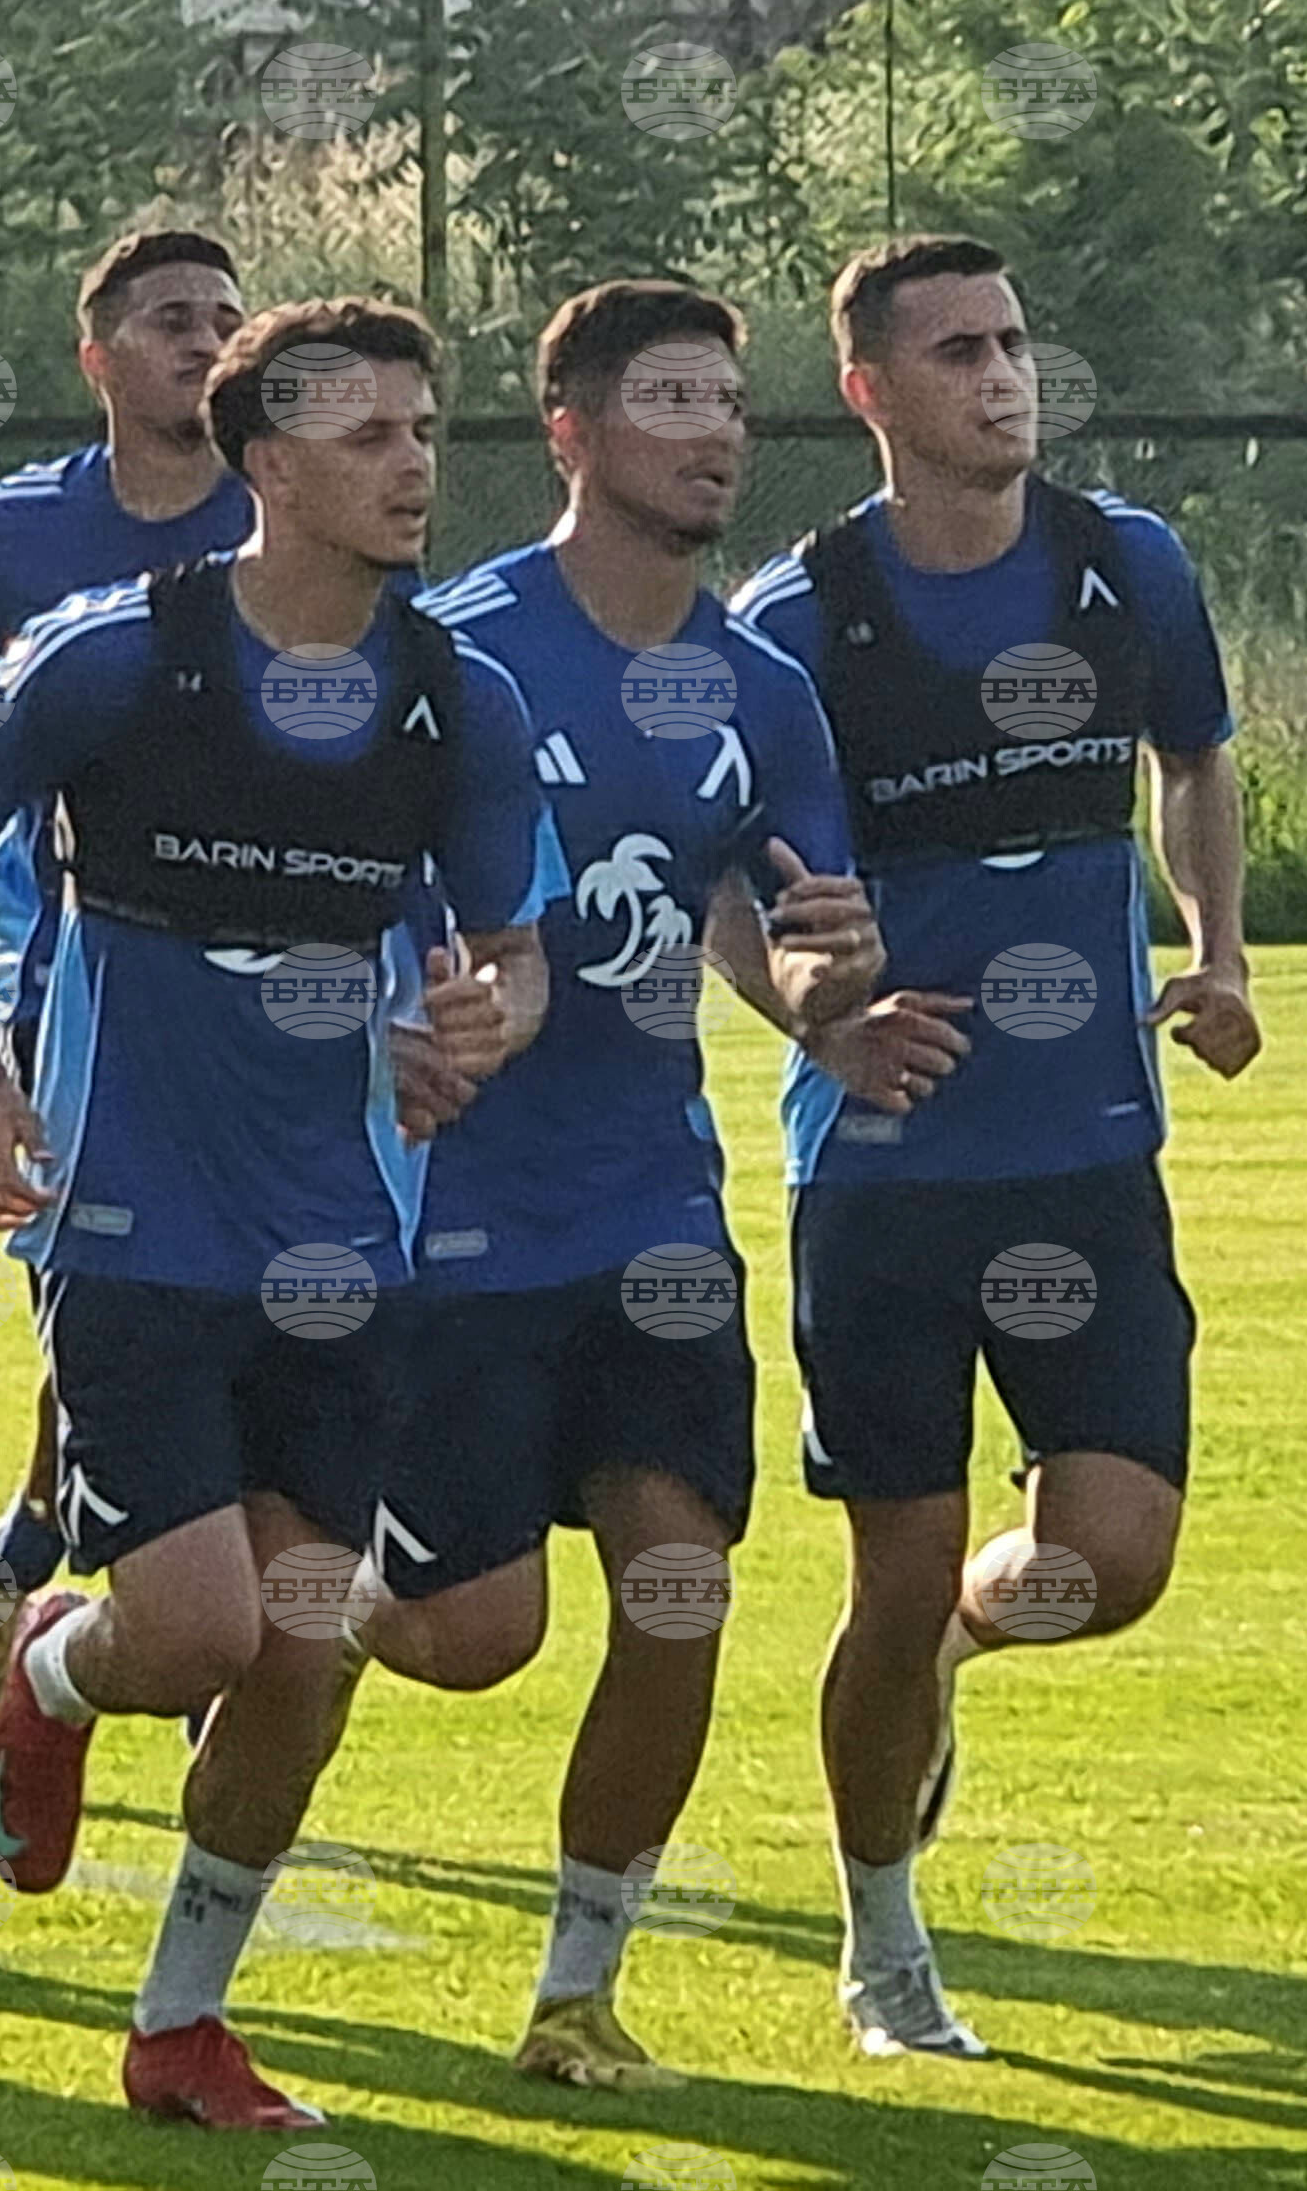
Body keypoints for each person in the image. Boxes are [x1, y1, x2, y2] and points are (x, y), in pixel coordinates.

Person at [0, 298, 554, 2131]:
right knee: (194, 1632)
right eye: (369, 436)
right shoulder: (122, 658)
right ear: (268, 465)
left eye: (426, 432)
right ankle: (53, 1667)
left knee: (303, 1654)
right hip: (131, 1223)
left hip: (347, 1244)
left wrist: (482, 1026)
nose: (414, 467)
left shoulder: (458, 698)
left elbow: (518, 955)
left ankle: (180, 2026)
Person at [718, 234, 1261, 2062]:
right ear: (869, 392)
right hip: (882, 1173)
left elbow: (1193, 759)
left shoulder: (1128, 566)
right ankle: (884, 1950)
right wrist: (818, 1023)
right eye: (958, 352)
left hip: (1086, 1150)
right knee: (891, 1572)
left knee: (1112, 1558)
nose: (1004, 377)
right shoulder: (800, 624)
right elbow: (728, 883)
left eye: (1015, 343)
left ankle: (957, 1652)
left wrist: (1220, 952)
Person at [361, 281, 885, 2093]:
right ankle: (310, 1607)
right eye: (672, 400)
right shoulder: (457, 654)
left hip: (654, 1208)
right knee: (472, 1637)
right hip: (451, 1213)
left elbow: (786, 940)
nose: (717, 431)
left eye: (729, 401)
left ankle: (575, 1997)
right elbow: (342, 893)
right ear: (572, 432)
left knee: (682, 1591)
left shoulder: (765, 690)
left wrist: (832, 982)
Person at [0, 228, 254, 1736]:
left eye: (225, 317)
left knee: (233, 1300)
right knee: (114, 1290)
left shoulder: (292, 511)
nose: (205, 342)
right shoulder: (19, 528)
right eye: (171, 320)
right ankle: (124, 1592)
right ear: (98, 357)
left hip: (277, 994)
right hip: (67, 980)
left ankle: (43, 1558)